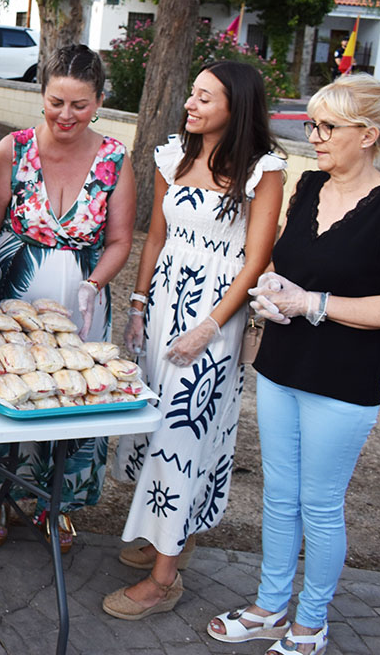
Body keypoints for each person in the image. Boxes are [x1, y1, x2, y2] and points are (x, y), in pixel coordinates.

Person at [207, 75, 380, 655]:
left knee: (320, 504)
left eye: (327, 126)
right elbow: (288, 262)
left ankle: (312, 621)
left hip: (343, 381)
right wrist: (277, 290)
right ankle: (270, 607)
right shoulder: (308, 186)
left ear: (368, 134)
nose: (315, 136)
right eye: (312, 124)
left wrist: (314, 304)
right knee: (279, 496)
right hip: (282, 365)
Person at [104, 61, 285, 621]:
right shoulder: (172, 157)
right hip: (162, 309)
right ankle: (170, 536)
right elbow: (155, 237)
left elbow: (256, 261)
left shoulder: (263, 171)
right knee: (151, 426)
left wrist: (210, 326)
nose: (191, 103)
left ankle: (164, 580)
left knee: (185, 433)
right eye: (192, 93)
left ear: (237, 106)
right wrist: (136, 306)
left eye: (205, 97)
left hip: (214, 318)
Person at [0, 44, 135, 550]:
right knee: (8, 395)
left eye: (79, 105)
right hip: (12, 297)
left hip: (81, 304)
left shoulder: (114, 159)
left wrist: (95, 283)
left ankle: (54, 502)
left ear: (99, 101)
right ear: (42, 95)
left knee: (73, 399)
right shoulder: (12, 149)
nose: (66, 115)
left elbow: (121, 239)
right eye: (56, 101)